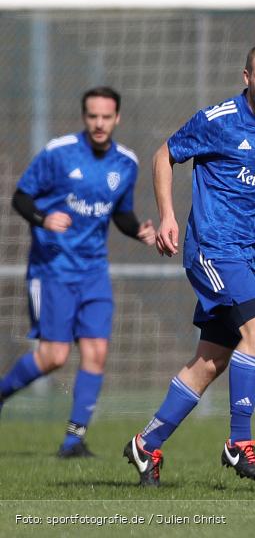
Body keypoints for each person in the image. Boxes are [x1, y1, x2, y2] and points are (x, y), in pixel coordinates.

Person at [123, 44, 255, 487]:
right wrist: (168, 216)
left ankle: (147, 444)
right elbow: (164, 155)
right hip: (212, 248)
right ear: (246, 77)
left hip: (246, 254)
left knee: (210, 361)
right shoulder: (219, 120)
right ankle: (239, 442)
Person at [0, 86, 155, 457]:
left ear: (117, 118)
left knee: (96, 352)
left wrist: (139, 230)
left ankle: (73, 440)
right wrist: (43, 218)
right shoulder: (59, 152)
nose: (99, 124)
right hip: (53, 268)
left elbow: (121, 214)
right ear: (84, 117)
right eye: (93, 116)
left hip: (94, 271)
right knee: (54, 356)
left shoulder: (126, 163)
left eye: (106, 117)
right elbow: (21, 197)